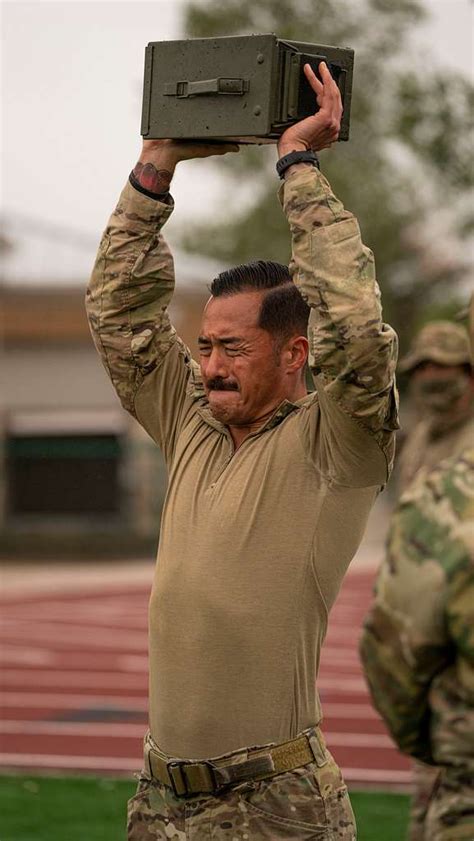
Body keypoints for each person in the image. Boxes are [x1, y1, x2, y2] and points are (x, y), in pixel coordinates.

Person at [86, 63, 398, 840]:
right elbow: (118, 314)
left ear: (295, 355)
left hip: (278, 805)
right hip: (160, 800)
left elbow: (357, 332)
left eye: (231, 348)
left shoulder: (336, 440)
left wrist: (297, 167)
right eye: (204, 347)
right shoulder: (191, 423)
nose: (211, 366)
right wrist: (156, 163)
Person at [359, 304, 474, 841]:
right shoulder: (419, 439)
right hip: (429, 644)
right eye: (423, 372)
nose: (434, 383)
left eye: (447, 372)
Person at [397, 320, 473, 493]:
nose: (429, 376)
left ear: (468, 373)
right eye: (420, 368)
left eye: (440, 365)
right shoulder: (420, 436)